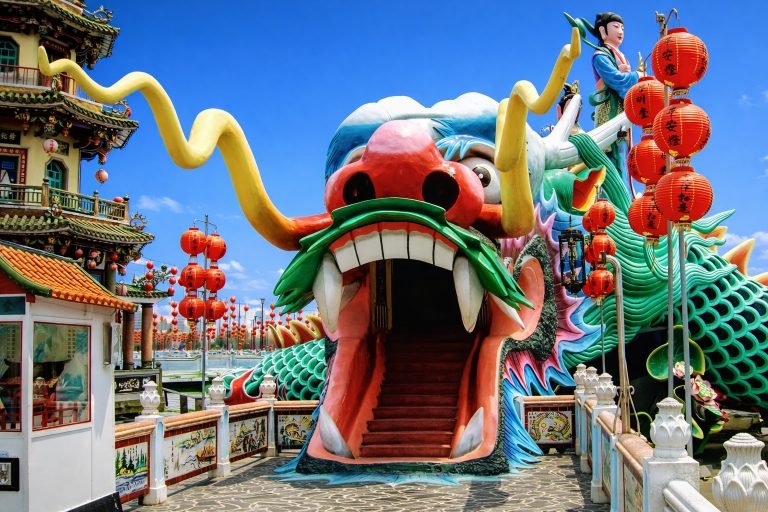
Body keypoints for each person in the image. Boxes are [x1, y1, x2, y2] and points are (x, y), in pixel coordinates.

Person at [588, 12, 643, 127]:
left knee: (625, 142)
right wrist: (638, 75)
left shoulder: (621, 55)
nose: (620, 31)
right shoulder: (600, 56)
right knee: (612, 143)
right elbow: (615, 79)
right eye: (616, 27)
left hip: (623, 108)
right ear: (603, 31)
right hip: (608, 107)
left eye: (622, 28)